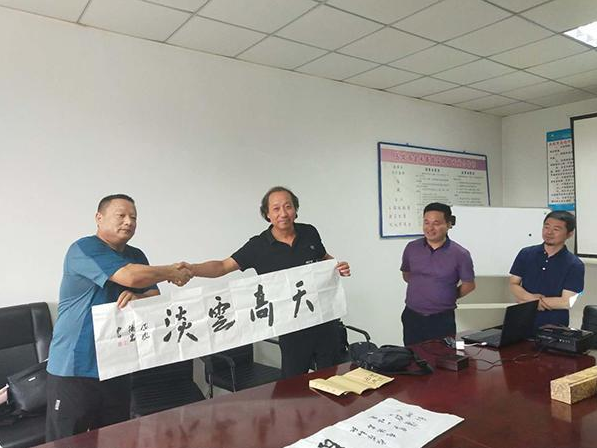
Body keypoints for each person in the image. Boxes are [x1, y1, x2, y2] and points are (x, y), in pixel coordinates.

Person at [45, 194, 193, 442]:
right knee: (67, 442)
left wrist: (139, 298)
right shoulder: (84, 248)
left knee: (116, 438)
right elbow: (130, 277)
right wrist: (172, 271)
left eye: (133, 217)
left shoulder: (136, 256)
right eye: (121, 215)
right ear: (99, 218)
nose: (128, 222)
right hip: (74, 366)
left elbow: (153, 295)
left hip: (117, 363)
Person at [188, 186, 350, 378]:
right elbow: (222, 266)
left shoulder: (309, 232)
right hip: (292, 331)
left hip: (325, 322)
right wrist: (192, 269)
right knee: (293, 385)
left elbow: (324, 258)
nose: (283, 213)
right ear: (267, 214)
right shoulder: (258, 246)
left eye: (288, 206)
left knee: (333, 380)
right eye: (276, 208)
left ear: (295, 209)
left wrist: (338, 266)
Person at [400, 202, 475, 346]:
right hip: (412, 316)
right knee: (411, 356)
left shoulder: (460, 254)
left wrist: (447, 294)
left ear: (448, 224)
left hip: (442, 319)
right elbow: (407, 275)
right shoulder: (412, 248)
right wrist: (424, 288)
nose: (430, 228)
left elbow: (469, 285)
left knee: (443, 356)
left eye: (436, 223)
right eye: (426, 222)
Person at [509, 210, 584, 333]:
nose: (549, 232)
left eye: (556, 229)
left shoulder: (575, 264)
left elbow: (566, 302)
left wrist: (531, 302)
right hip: (522, 319)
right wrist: (531, 299)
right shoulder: (526, 253)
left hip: (554, 325)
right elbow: (513, 283)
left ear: (569, 234)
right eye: (546, 227)